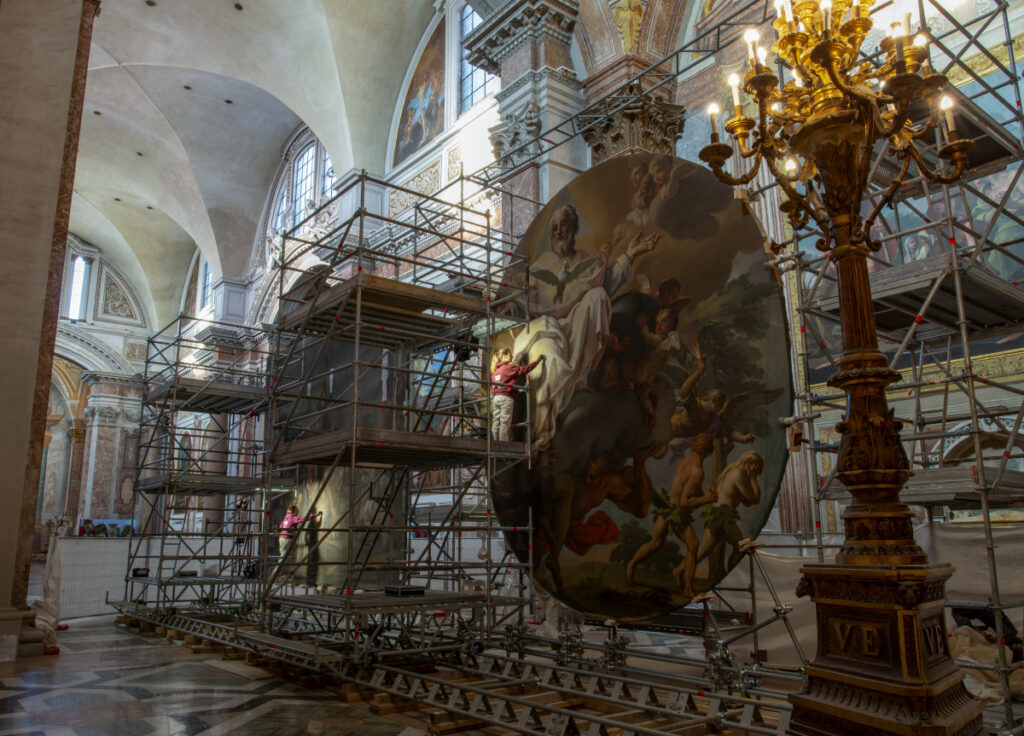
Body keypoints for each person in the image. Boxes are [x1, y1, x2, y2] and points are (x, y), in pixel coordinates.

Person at [513, 204, 659, 449]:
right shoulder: (542, 264)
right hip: (547, 327)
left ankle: (580, 376)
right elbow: (525, 299)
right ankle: (540, 431)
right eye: (555, 228)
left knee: (598, 296)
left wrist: (630, 254)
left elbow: (606, 282)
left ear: (574, 228)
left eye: (564, 225)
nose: (559, 231)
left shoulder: (584, 260)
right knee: (550, 358)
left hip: (576, 325)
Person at [626, 434, 716, 594]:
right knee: (692, 544)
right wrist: (706, 499)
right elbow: (685, 502)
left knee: (656, 543)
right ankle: (688, 587)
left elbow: (687, 488)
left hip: (668, 505)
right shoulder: (697, 470)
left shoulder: (690, 460)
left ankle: (632, 565)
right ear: (709, 451)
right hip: (676, 512)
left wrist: (703, 494)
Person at [683, 451, 763, 595]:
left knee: (704, 551)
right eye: (755, 467)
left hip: (718, 514)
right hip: (722, 516)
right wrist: (753, 478)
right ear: (750, 464)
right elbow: (753, 499)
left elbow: (747, 502)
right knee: (741, 547)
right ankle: (730, 578)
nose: (756, 470)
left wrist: (750, 482)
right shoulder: (739, 473)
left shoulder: (735, 472)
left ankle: (679, 571)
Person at [490, 348, 543, 441]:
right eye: (510, 354)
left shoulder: (495, 372)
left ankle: (494, 443)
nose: (512, 356)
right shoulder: (508, 367)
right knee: (504, 424)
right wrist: (537, 362)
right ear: (505, 356)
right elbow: (524, 370)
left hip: (496, 398)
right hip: (506, 398)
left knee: (496, 422)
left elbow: (492, 389)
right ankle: (503, 446)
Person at [277, 505, 319, 576]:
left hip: (281, 538)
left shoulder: (286, 518)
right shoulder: (292, 518)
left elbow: (280, 527)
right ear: (293, 511)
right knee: (284, 556)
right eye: (297, 510)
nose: (298, 512)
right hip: (287, 538)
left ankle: (281, 572)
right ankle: (276, 573)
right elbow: (302, 519)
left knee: (283, 555)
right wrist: (313, 516)